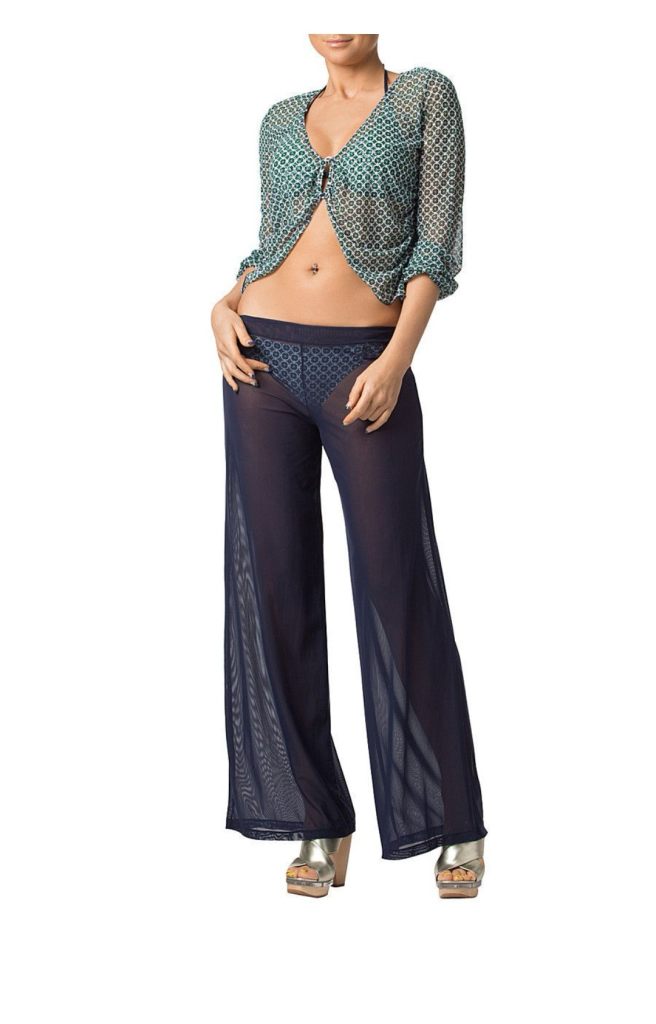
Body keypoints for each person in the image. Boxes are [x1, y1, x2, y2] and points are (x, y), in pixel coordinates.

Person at [210, 34, 488, 899]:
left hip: (366, 362)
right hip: (259, 365)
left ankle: (454, 822)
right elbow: (272, 241)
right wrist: (224, 300)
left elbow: (435, 245)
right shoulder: (280, 119)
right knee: (276, 588)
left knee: (398, 584)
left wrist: (398, 358)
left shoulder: (423, 98)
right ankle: (317, 816)